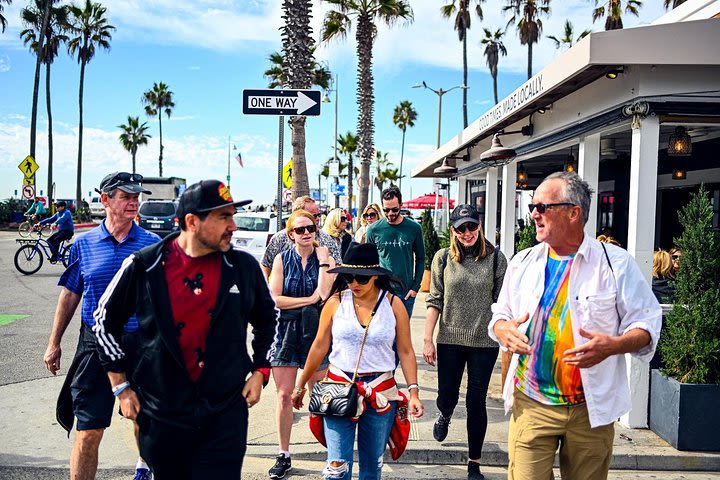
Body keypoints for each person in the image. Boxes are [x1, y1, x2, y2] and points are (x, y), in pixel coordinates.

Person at [92, 180, 279, 479]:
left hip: (225, 412)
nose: (233, 226)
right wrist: (121, 386)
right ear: (192, 221)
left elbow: (269, 318)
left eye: (232, 216)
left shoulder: (243, 267)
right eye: (223, 217)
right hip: (163, 414)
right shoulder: (145, 265)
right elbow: (103, 320)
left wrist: (261, 371)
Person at [489, 172, 661, 480]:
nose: (534, 214)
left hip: (590, 409)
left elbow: (647, 322)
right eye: (533, 206)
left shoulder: (615, 264)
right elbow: (500, 314)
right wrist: (502, 329)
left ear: (574, 212)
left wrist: (615, 345)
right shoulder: (522, 262)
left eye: (543, 207)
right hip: (532, 402)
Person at [43, 172, 159, 480]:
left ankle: (144, 466)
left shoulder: (152, 244)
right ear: (105, 199)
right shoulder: (84, 245)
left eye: (136, 197)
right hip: (94, 345)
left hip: (139, 345)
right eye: (126, 196)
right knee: (89, 431)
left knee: (145, 419)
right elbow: (70, 295)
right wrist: (54, 343)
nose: (134, 202)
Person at [291, 243, 424, 480]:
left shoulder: (394, 305)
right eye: (349, 278)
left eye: (361, 279)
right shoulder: (335, 302)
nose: (354, 284)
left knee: (372, 468)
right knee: (336, 467)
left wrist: (413, 391)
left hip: (380, 390)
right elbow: (319, 345)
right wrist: (300, 385)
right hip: (338, 387)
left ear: (375, 275)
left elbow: (405, 351)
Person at [423, 204, 507, 480]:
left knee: (476, 400)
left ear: (479, 225)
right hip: (449, 339)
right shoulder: (443, 258)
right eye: (461, 228)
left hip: (484, 342)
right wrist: (427, 339)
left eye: (472, 226)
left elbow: (503, 303)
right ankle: (445, 414)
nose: (467, 232)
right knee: (447, 395)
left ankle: (474, 463)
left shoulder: (496, 259)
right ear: (453, 230)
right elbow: (434, 300)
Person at [268, 209, 337, 479]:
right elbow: (276, 299)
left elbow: (324, 293)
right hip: (285, 331)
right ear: (290, 234)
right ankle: (283, 454)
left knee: (320, 397)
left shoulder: (326, 259)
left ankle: (332, 453)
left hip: (316, 332)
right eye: (300, 230)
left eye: (310, 228)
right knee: (284, 395)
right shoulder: (281, 259)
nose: (306, 233)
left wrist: (322, 263)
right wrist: (308, 301)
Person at [366, 186, 425, 317]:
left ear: (401, 205)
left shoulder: (414, 228)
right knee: (381, 335)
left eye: (394, 209)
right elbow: (368, 262)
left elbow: (421, 258)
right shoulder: (373, 229)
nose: (390, 213)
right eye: (386, 210)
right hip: (381, 293)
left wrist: (415, 288)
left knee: (402, 336)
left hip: (406, 294)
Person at [261, 195, 342, 279]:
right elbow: (265, 265)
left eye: (319, 215)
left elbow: (337, 267)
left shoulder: (326, 239)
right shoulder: (279, 239)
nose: (318, 219)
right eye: (313, 216)